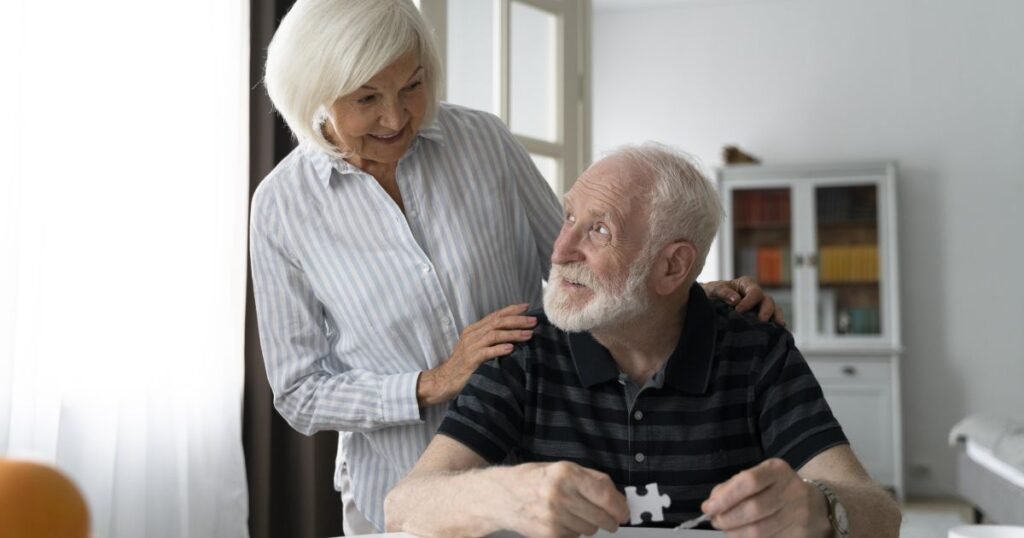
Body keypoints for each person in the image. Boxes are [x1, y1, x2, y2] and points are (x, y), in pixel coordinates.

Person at [250, 0, 781, 533]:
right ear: (313, 96)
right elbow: (300, 393)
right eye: (367, 98)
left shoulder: (483, 142)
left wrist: (679, 294)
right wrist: (431, 383)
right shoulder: (281, 208)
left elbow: (579, 264)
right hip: (395, 491)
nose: (396, 117)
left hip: (532, 482)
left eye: (411, 86)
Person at [384, 143, 901, 538]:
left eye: (599, 231)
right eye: (569, 218)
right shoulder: (522, 347)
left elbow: (880, 512)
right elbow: (403, 506)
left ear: (672, 265)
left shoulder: (756, 347)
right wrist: (507, 493)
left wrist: (818, 509)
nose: (561, 248)